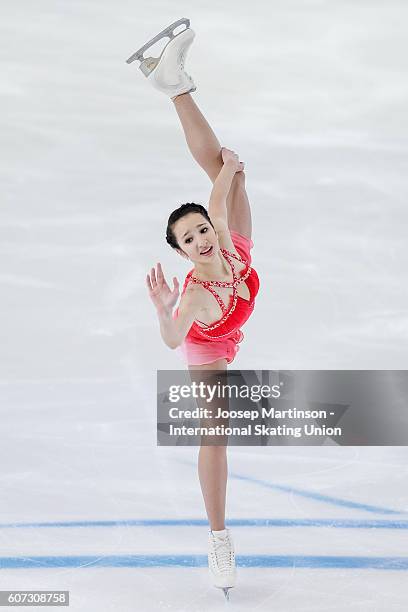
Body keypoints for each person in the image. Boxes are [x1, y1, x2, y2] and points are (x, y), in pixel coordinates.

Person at [128, 19, 260, 599]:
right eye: (189, 240)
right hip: (210, 344)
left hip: (242, 290)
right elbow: (170, 337)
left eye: (201, 230)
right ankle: (218, 536)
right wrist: (162, 309)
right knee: (216, 433)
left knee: (224, 172)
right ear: (181, 252)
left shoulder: (226, 240)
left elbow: (216, 201)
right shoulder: (197, 294)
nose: (201, 239)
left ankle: (176, 85)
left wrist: (230, 170)